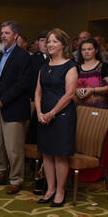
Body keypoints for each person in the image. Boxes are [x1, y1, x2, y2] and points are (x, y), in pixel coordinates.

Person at [0, 21, 31, 195]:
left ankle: (16, 179)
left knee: (14, 147)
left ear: (16, 36)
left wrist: (3, 101)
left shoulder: (23, 56)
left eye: (7, 33)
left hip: (14, 108)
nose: (3, 36)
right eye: (1, 33)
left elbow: (22, 84)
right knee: (0, 145)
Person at [35, 28, 78, 207]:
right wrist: (39, 113)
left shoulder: (70, 66)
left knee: (60, 154)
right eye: (48, 41)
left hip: (62, 115)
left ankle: (60, 191)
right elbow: (37, 92)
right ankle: (50, 189)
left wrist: (52, 113)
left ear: (63, 45)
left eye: (54, 41)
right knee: (46, 152)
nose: (49, 44)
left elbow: (69, 94)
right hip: (43, 115)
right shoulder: (44, 67)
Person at [75, 38, 108, 109]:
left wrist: (92, 90)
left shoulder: (104, 66)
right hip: (78, 107)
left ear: (96, 50)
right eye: (83, 50)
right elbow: (68, 86)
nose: (86, 52)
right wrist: (76, 90)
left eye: (89, 49)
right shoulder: (75, 68)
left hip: (99, 109)